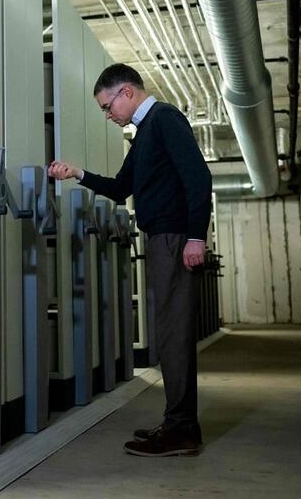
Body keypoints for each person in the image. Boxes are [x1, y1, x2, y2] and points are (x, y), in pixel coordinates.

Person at [48, 63, 212, 457]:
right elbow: (122, 188)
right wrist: (77, 173)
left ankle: (181, 430)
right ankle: (178, 423)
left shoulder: (165, 118)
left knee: (174, 334)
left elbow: (198, 177)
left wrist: (195, 236)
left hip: (174, 239)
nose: (108, 115)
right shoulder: (143, 135)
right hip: (163, 239)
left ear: (126, 92)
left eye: (107, 106)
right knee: (169, 333)